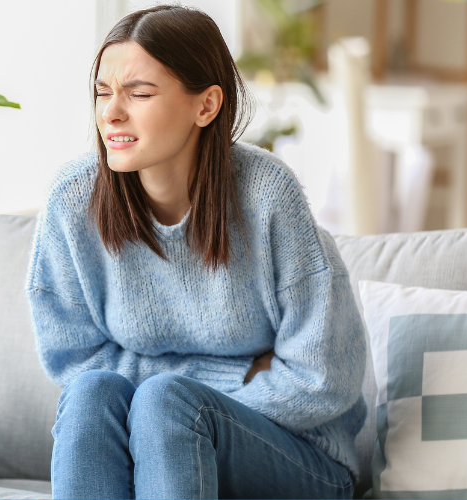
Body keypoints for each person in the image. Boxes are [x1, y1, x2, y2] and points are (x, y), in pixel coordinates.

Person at [24, 5, 366, 499]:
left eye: (138, 93)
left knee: (165, 403)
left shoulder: (267, 195)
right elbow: (73, 358)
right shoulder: (73, 200)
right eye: (103, 92)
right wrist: (234, 373)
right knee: (91, 394)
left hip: (301, 456)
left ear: (205, 106)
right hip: (157, 438)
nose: (111, 112)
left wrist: (184, 399)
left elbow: (322, 378)